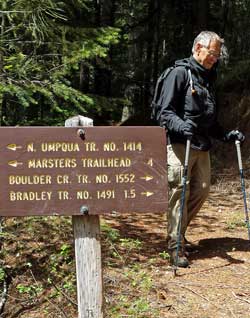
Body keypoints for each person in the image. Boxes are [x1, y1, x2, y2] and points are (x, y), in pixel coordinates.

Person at [158, 31, 245, 268]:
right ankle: (175, 246)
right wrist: (181, 126)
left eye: (217, 55)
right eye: (213, 53)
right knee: (180, 190)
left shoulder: (207, 79)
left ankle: (179, 231)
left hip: (201, 144)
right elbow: (164, 112)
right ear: (198, 48)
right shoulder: (179, 73)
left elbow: (209, 119)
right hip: (179, 144)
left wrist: (226, 135)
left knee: (203, 189)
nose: (215, 58)